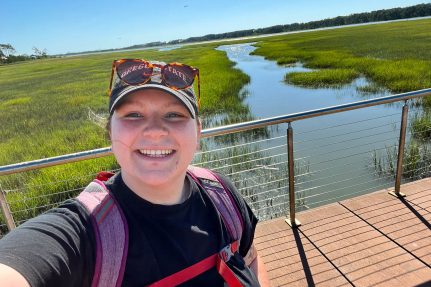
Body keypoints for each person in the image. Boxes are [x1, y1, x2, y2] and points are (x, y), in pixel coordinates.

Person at [0, 59, 270, 286]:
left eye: (174, 115)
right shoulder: (85, 233)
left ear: (198, 132)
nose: (154, 130)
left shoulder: (221, 195)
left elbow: (250, 257)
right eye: (133, 115)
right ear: (110, 132)